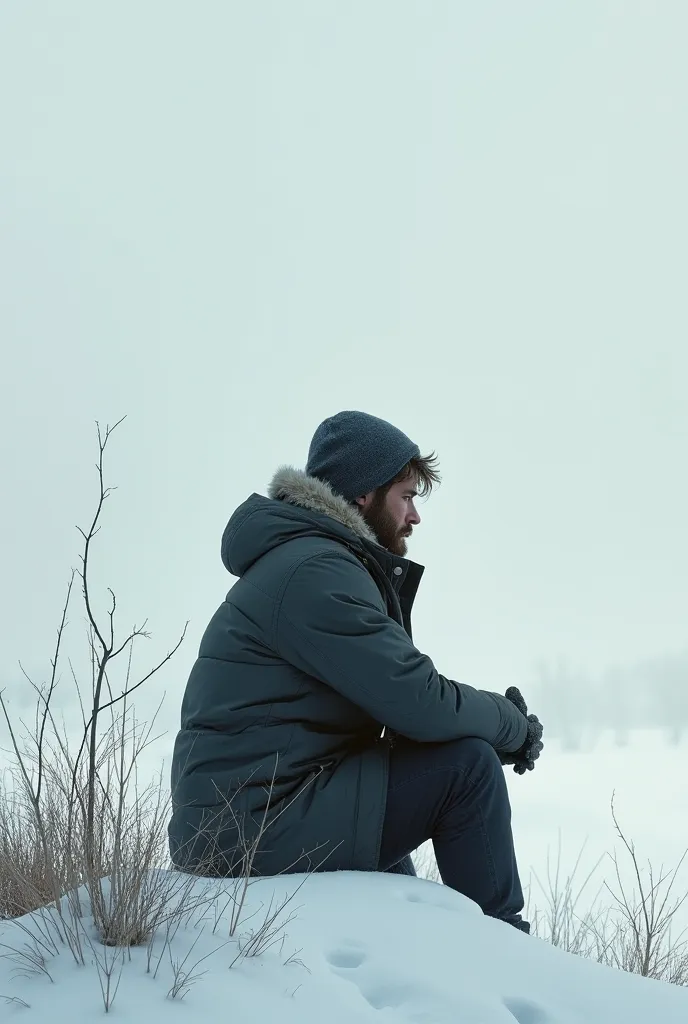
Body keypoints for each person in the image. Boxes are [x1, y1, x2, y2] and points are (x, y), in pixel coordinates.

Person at [168, 411, 543, 931]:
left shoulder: (312, 560)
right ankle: (510, 957)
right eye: (407, 496)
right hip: (246, 831)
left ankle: (424, 959)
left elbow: (401, 708)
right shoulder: (315, 572)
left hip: (257, 811)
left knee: (400, 772)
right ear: (364, 494)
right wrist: (510, 725)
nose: (415, 517)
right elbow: (418, 702)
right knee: (465, 769)